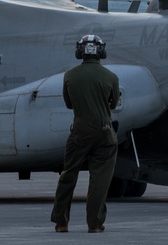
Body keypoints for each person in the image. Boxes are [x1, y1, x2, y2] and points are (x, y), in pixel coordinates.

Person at [51, 34, 120, 233]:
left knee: (68, 174)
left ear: (80, 51)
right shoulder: (111, 77)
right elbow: (114, 104)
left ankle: (61, 222)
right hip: (105, 132)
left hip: (79, 131)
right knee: (100, 178)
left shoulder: (69, 76)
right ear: (101, 52)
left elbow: (68, 104)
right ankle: (95, 223)